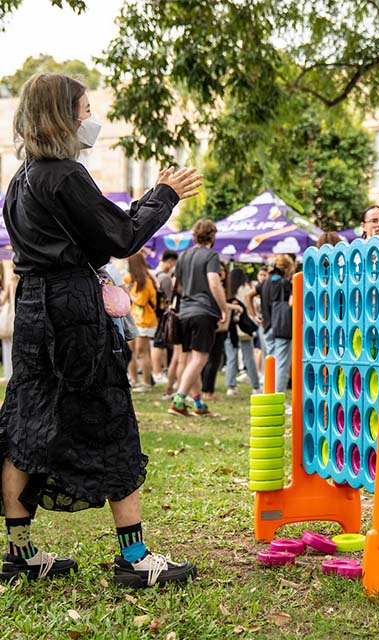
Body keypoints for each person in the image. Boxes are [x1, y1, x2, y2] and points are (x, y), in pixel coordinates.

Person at [0, 73, 201, 586]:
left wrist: (145, 203)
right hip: (71, 309)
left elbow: (102, 229)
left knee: (25, 419)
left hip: (33, 309)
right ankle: (134, 559)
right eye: (85, 109)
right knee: (110, 416)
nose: (91, 120)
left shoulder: (21, 180)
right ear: (63, 116)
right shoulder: (65, 175)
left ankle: (20, 551)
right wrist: (164, 194)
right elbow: (121, 235)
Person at [169, 219, 227, 417]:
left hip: (184, 312)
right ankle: (178, 400)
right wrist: (223, 307)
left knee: (191, 360)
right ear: (212, 236)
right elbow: (214, 282)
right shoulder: (211, 255)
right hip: (203, 311)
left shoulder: (183, 255)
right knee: (200, 359)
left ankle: (199, 405)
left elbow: (176, 284)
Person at [247, 254, 294, 396]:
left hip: (266, 327)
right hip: (283, 327)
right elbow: (292, 304)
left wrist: (255, 316)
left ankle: (268, 392)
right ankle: (278, 395)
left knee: (270, 361)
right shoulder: (286, 284)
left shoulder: (264, 284)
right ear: (286, 269)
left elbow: (248, 295)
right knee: (281, 364)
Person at [225, 267, 261, 395]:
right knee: (249, 358)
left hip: (230, 328)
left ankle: (231, 387)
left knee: (231, 358)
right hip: (244, 329)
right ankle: (256, 387)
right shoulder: (246, 289)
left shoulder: (227, 292)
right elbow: (256, 305)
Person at [125, 251, 158, 392]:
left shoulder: (146, 281)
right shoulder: (131, 281)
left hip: (145, 321)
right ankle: (133, 379)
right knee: (129, 351)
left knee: (141, 352)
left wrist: (128, 294)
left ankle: (147, 382)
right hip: (134, 320)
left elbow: (141, 301)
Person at [201, 261, 229, 401]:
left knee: (211, 360)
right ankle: (207, 391)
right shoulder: (214, 287)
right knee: (212, 359)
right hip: (215, 324)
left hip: (217, 326)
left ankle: (206, 390)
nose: (221, 273)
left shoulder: (220, 287)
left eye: (222, 270)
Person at [151, 249, 178, 384]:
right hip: (162, 314)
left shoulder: (152, 274)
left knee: (157, 343)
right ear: (170, 261)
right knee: (159, 343)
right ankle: (157, 372)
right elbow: (169, 299)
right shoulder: (165, 278)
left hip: (152, 313)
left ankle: (157, 372)